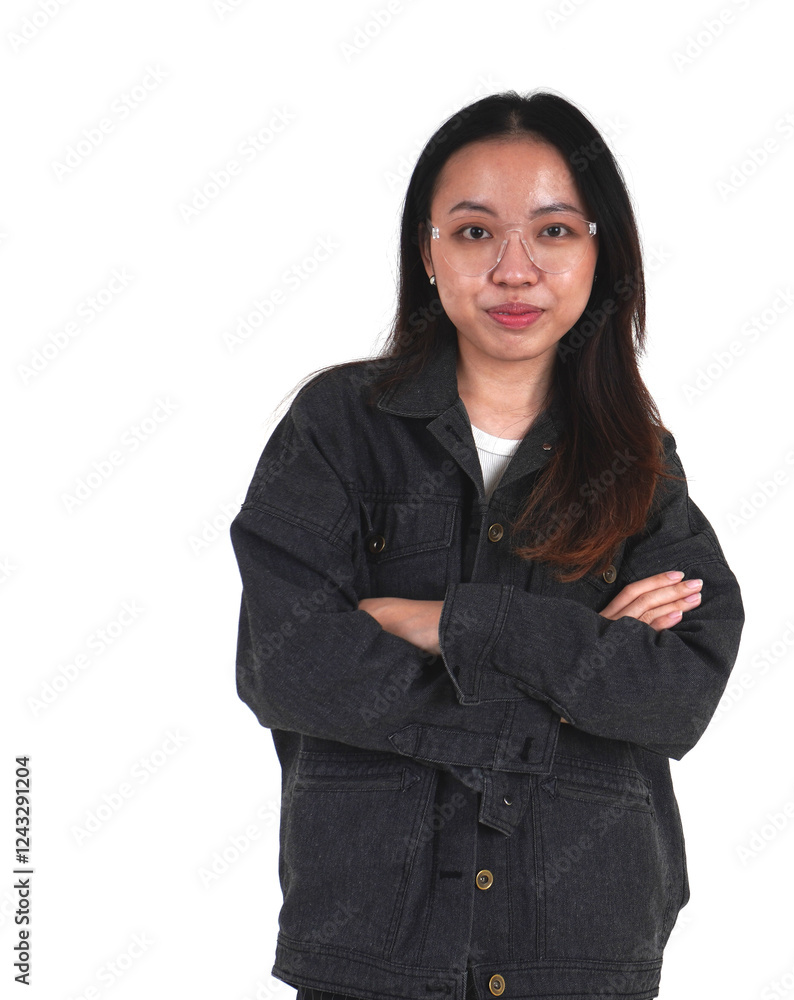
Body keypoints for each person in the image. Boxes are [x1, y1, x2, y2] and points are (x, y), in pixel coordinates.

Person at [229, 89, 745, 1000]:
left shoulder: (635, 459)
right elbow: (291, 663)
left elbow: (677, 695)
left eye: (553, 232)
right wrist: (568, 684)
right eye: (474, 233)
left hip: (584, 939)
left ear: (600, 254)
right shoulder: (339, 428)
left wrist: (454, 625)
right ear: (425, 252)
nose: (514, 269)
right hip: (375, 943)